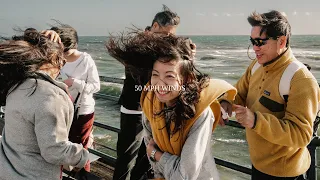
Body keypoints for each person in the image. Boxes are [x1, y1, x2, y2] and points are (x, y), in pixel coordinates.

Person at [107, 31, 237, 180]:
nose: (160, 84)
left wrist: (158, 155)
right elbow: (154, 161)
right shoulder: (150, 104)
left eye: (169, 76)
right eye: (155, 75)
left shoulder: (200, 113)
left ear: (186, 78)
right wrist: (158, 158)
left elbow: (183, 176)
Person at [220, 10, 319, 180]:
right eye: (252, 41)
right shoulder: (256, 66)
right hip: (258, 165)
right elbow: (238, 92)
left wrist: (255, 120)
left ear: (281, 41)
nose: (255, 48)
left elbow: (301, 135)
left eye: (260, 42)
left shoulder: (301, 79)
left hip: (286, 173)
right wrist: (225, 102)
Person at [0, 28, 89, 180]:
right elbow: (54, 151)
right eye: (61, 59)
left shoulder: (16, 86)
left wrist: (46, 42)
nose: (63, 64)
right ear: (51, 58)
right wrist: (83, 155)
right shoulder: (50, 96)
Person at [112, 5, 182, 180]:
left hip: (154, 109)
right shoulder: (138, 44)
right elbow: (141, 74)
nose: (168, 39)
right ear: (155, 26)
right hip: (134, 108)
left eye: (171, 36)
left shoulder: (160, 45)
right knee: (126, 156)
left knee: (147, 155)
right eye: (166, 34)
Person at [51, 24, 100, 173]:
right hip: (62, 109)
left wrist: (75, 83)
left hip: (82, 111)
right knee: (62, 146)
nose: (63, 54)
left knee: (80, 149)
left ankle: (83, 175)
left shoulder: (86, 60)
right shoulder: (57, 59)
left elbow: (96, 86)